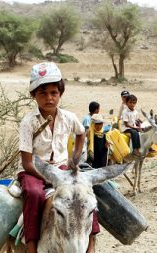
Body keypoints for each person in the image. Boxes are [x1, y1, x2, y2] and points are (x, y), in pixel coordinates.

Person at [18, 62, 99, 253]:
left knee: (86, 193)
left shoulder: (68, 117)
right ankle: (31, 244)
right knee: (34, 194)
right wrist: (50, 177)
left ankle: (91, 242)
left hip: (62, 169)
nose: (49, 98)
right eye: (42, 93)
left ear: (60, 93)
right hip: (33, 172)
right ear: (33, 96)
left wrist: (75, 159)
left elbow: (81, 133)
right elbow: (27, 162)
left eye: (54, 93)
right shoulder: (28, 122)